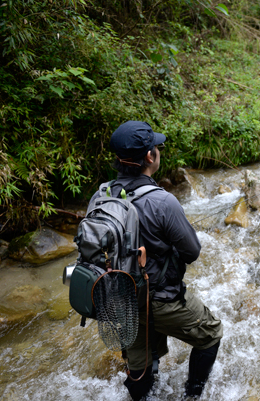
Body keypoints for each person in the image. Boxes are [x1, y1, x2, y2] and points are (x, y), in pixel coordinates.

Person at [89, 120, 223, 400]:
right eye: (156, 148)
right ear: (150, 157)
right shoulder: (163, 201)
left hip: (119, 300)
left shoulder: (100, 195)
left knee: (139, 368)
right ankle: (192, 395)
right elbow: (192, 251)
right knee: (210, 334)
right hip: (160, 299)